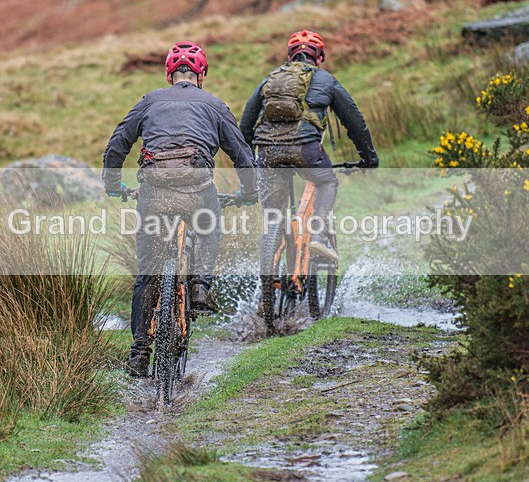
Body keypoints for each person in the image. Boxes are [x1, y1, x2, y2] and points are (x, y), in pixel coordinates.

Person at [102, 41, 257, 377]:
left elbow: (118, 144)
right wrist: (249, 193)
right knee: (210, 222)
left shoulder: (149, 101)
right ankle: (201, 284)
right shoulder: (214, 105)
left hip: (154, 192)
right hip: (197, 191)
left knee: (146, 274)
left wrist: (113, 184)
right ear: (200, 74)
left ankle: (140, 352)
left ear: (169, 74)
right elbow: (241, 155)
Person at [240, 29, 379, 263]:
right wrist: (369, 157)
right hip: (306, 150)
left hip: (267, 151)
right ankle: (319, 235)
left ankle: (267, 277)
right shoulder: (326, 80)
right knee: (327, 180)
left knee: (273, 215)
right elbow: (355, 122)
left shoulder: (271, 78)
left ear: (289, 57)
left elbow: (245, 124)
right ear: (320, 58)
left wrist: (249, 161)